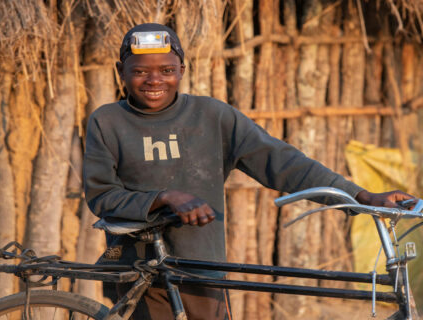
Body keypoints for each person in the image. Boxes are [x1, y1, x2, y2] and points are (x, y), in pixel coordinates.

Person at [83, 23, 414, 320]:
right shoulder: (108, 121)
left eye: (167, 70)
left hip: (204, 268)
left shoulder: (212, 116)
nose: (154, 80)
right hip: (136, 270)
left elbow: (282, 161)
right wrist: (165, 197)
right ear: (120, 72)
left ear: (182, 69)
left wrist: (361, 195)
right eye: (141, 71)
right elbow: (102, 195)